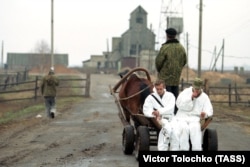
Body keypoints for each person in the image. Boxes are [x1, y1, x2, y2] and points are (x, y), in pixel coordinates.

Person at [174, 77, 213, 150]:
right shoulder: (185, 92)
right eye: (195, 88)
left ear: (201, 87)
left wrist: (205, 114)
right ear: (193, 86)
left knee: (195, 129)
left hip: (194, 118)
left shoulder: (204, 97)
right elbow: (178, 104)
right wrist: (190, 98)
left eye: (198, 89)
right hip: (182, 116)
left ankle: (197, 150)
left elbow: (209, 109)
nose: (196, 90)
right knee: (183, 128)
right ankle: (183, 150)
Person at [155, 27, 187, 114]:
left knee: (163, 99)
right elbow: (184, 61)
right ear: (175, 36)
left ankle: (164, 115)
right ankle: (175, 115)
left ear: (167, 36)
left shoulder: (165, 48)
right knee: (174, 98)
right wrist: (177, 69)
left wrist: (160, 71)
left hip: (164, 80)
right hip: (176, 79)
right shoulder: (181, 48)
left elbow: (158, 62)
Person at [143, 79, 179, 151]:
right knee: (167, 130)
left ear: (164, 87)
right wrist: (153, 113)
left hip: (171, 118)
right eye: (157, 89)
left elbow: (171, 108)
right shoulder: (150, 97)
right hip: (160, 119)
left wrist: (159, 111)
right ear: (155, 88)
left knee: (175, 134)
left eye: (160, 89)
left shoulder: (170, 96)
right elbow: (146, 109)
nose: (159, 91)